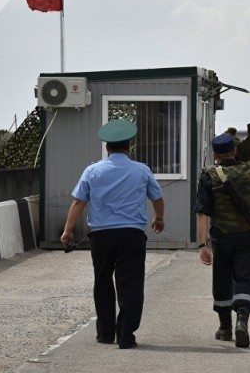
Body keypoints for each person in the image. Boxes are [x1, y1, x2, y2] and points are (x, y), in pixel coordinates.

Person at [60, 120, 165, 349]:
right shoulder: (141, 170)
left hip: (102, 237)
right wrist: (159, 218)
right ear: (129, 147)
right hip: (132, 235)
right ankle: (126, 336)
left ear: (107, 148)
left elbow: (78, 201)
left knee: (103, 283)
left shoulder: (93, 170)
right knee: (131, 285)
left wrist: (68, 231)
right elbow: (157, 198)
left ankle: (105, 334)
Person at [195, 134, 250, 348]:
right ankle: (242, 319)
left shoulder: (208, 176)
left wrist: (202, 245)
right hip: (248, 236)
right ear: (235, 151)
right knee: (244, 278)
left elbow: (203, 213)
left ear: (215, 154)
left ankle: (225, 328)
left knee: (222, 280)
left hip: (222, 237)